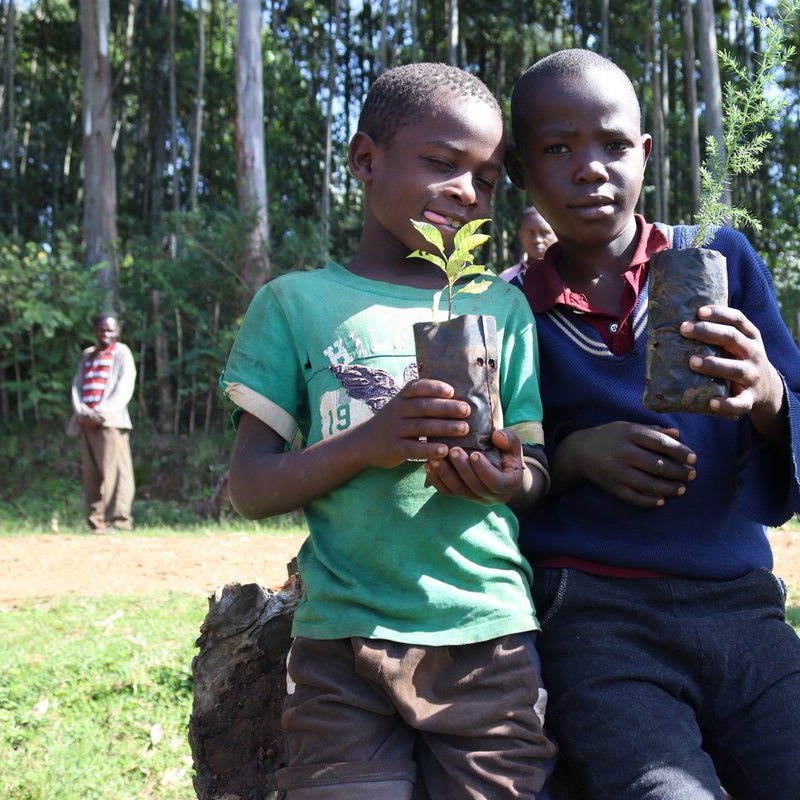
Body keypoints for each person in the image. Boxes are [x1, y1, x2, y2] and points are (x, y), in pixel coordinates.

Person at [498, 48, 800, 799]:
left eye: (613, 145)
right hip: (594, 618)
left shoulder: (717, 261)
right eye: (557, 149)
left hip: (740, 607)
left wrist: (766, 392)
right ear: (518, 169)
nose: (590, 169)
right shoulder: (507, 309)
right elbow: (501, 467)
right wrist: (574, 457)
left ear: (645, 154)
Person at [220, 63, 555, 799]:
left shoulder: (499, 309)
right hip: (341, 645)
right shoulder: (295, 304)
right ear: (366, 160)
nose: (467, 191)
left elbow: (533, 471)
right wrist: (367, 444)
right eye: (442, 162)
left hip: (485, 638)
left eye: (488, 180)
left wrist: (509, 479)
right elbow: (249, 486)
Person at [67, 312, 135, 534]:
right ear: (95, 330)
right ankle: (96, 522)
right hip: (86, 422)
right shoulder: (88, 354)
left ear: (117, 331)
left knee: (115, 473)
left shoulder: (122, 352)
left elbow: (125, 386)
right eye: (103, 329)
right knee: (91, 475)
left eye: (111, 330)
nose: (107, 334)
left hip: (110, 423)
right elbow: (77, 385)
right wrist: (82, 411)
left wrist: (100, 413)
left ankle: (118, 521)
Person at [500, 205, 557, 282]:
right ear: (521, 235)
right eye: (530, 233)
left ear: (557, 234)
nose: (537, 240)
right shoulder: (505, 279)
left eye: (544, 233)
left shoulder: (573, 275)